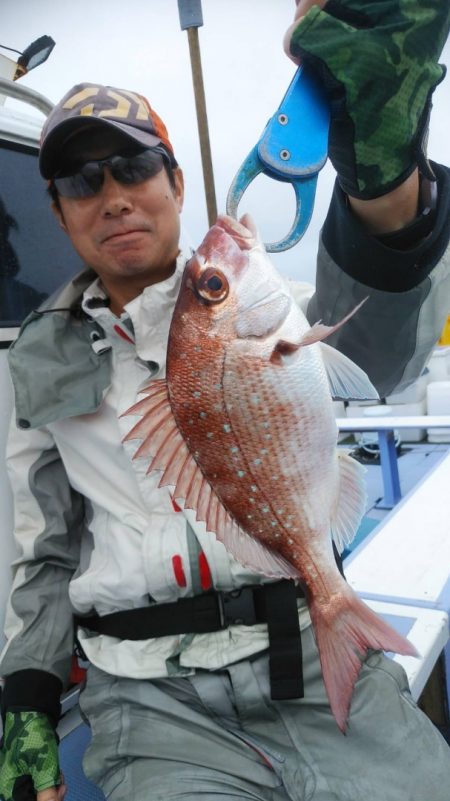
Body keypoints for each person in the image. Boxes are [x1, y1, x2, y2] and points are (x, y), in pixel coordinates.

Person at [1, 1, 450, 800]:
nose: (113, 196)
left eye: (135, 167)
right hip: (147, 701)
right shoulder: (37, 353)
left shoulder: (259, 306)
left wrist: (385, 186)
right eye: (81, 180)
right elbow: (40, 546)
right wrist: (29, 691)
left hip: (309, 645)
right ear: (60, 210)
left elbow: (379, 352)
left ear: (176, 180)